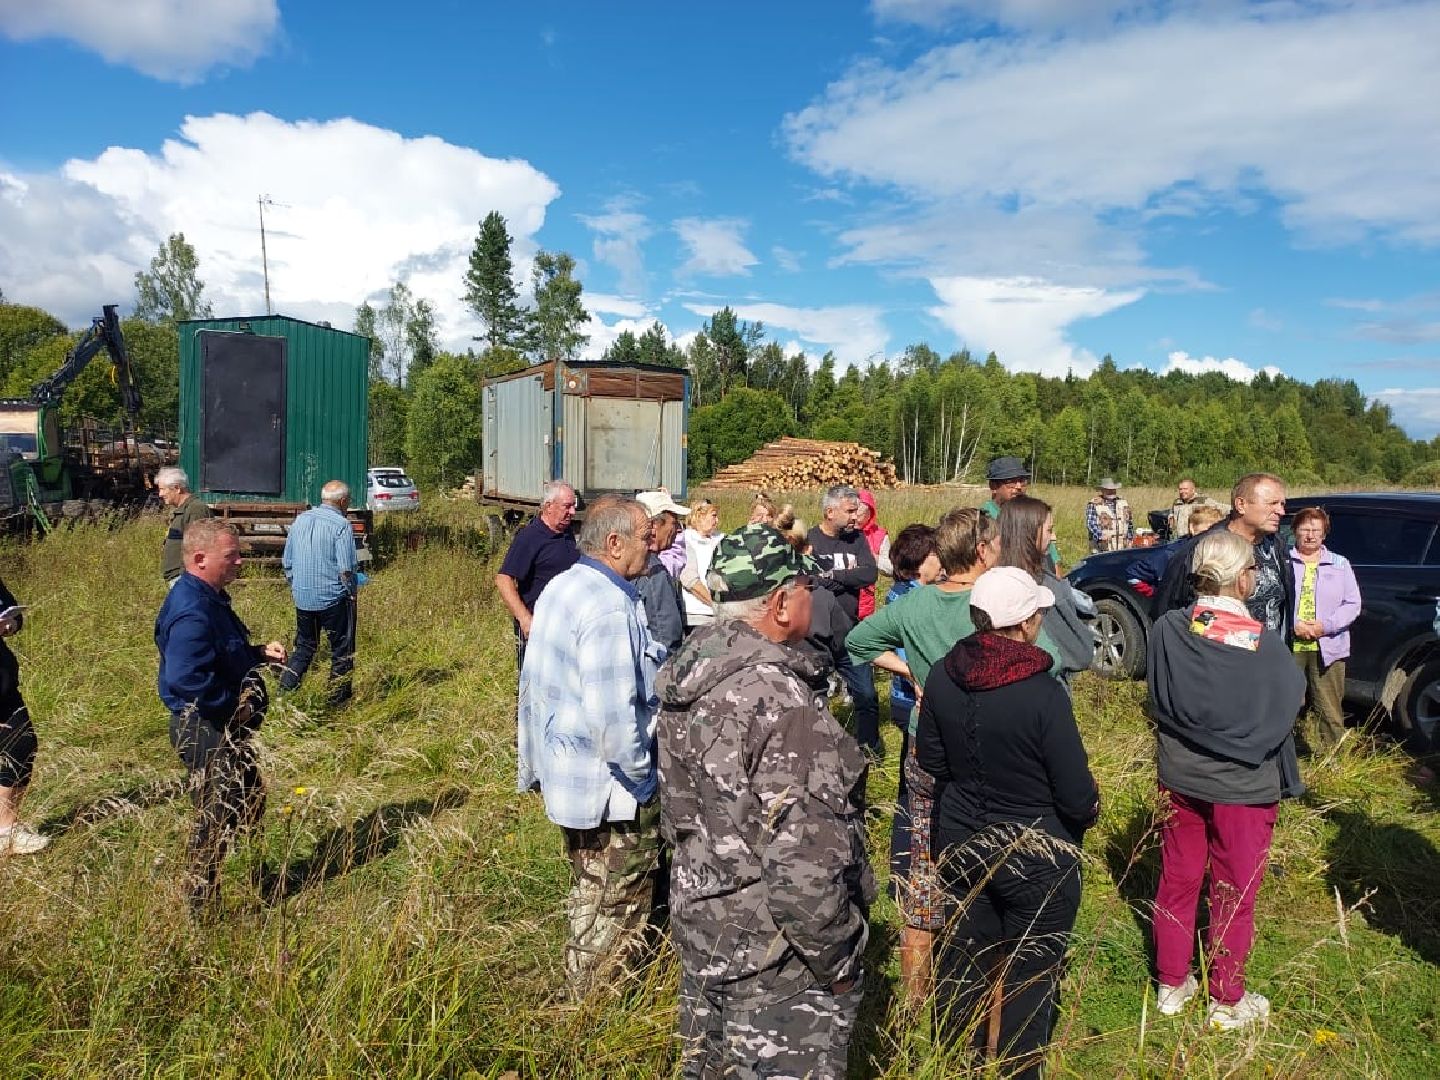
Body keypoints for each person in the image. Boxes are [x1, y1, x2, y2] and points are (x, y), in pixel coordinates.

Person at [658, 523, 873, 1080]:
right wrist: (841, 963)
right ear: (781, 604)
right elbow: (804, 869)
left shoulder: (689, 677)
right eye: (807, 589)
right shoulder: (780, 701)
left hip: (704, 933)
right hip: (776, 961)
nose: (814, 600)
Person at [917, 566, 1099, 1075]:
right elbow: (1074, 789)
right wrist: (1086, 815)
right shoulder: (1042, 692)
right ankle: (1020, 1068)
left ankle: (954, 1062)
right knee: (1032, 972)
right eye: (1039, 612)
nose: (1042, 619)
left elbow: (931, 760)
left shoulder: (942, 672)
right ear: (1021, 624)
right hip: (1035, 851)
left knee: (963, 961)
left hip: (960, 838)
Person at [1148, 529, 1305, 1030]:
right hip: (1243, 783)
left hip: (1180, 772)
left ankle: (1172, 983)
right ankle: (1226, 999)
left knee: (1177, 878)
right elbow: (1287, 710)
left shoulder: (1169, 628)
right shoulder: (1265, 648)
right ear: (1243, 579)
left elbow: (1157, 693)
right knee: (1234, 890)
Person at [516, 496, 664, 999]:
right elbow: (615, 715)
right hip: (611, 790)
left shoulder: (563, 586)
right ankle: (599, 1004)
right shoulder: (607, 605)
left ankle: (579, 983)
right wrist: (643, 779)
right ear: (615, 543)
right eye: (646, 536)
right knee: (620, 900)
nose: (654, 544)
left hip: (569, 775)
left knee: (589, 886)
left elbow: (534, 688)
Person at [156, 519, 287, 911]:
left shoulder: (208, 597)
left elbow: (222, 653)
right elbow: (185, 678)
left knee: (249, 799)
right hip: (206, 729)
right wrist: (234, 707)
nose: (240, 562)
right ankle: (201, 905)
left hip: (223, 727)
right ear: (200, 559)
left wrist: (257, 653)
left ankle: (254, 873)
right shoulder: (192, 612)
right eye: (231, 556)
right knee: (217, 815)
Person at [1157, 473, 1294, 643]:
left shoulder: (1276, 546)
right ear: (1241, 505)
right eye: (1272, 503)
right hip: (1220, 662)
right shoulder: (1203, 549)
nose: (1281, 511)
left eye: (1282, 504)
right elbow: (1167, 611)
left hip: (1269, 659)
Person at [808, 485, 882, 754]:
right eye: (850, 511)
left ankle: (869, 749)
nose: (856, 516)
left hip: (850, 633)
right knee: (813, 697)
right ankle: (818, 748)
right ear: (830, 512)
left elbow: (869, 575)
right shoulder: (810, 541)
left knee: (866, 694)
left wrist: (834, 577)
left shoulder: (858, 539)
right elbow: (809, 581)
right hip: (817, 636)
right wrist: (835, 579)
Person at [999, 496, 1096, 684]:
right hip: (1048, 688)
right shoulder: (1048, 589)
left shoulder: (992, 579)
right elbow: (1081, 653)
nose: (1054, 537)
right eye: (1049, 530)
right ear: (1028, 533)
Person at [279, 480, 358, 707]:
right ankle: (337, 702)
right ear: (343, 501)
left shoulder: (301, 520)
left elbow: (287, 562)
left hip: (303, 597)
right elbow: (346, 569)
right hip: (333, 599)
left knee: (304, 646)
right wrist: (352, 594)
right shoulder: (341, 525)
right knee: (342, 651)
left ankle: (284, 691)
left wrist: (296, 586)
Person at [1289, 507, 1362, 751]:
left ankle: (1334, 759)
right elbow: (1275, 600)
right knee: (1285, 702)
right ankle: (1284, 755)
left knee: (1328, 705)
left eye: (1316, 530)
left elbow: (1353, 603)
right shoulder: (1284, 561)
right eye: (1305, 529)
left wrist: (1324, 626)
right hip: (1291, 643)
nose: (1310, 535)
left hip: (1329, 644)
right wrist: (1293, 624)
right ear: (1295, 531)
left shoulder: (1340, 564)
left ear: (1324, 534)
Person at [495, 481, 580, 666]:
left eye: (574, 506)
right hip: (539, 629)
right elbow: (503, 579)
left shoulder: (566, 534)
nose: (572, 512)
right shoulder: (530, 537)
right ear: (549, 506)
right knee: (534, 684)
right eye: (567, 506)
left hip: (566, 627)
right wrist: (525, 619)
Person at [1, 574, 46, 855]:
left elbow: (13, 611)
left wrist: (10, 623)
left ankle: (6, 829)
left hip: (4, 686)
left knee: (21, 744)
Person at [981, 456, 1063, 573]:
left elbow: (1052, 558)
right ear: (993, 486)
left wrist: (1058, 585)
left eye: (1022, 481)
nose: (1018, 487)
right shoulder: (984, 519)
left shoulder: (1033, 513)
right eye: (1011, 482)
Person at [635, 489, 689, 654]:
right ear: (654, 525)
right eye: (674, 523)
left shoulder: (627, 561)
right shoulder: (653, 571)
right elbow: (666, 635)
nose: (677, 531)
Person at [156, 466, 212, 587]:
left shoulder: (196, 509)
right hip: (180, 577)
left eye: (162, 489)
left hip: (187, 579)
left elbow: (200, 545)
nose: (160, 494)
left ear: (177, 488)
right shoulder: (184, 509)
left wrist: (189, 577)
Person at [679, 499, 723, 632]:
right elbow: (690, 581)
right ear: (700, 516)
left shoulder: (721, 539)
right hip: (696, 615)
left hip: (719, 616)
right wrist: (716, 605)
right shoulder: (686, 540)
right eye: (713, 515)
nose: (717, 520)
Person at [1085, 478, 1133, 554]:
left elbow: (1129, 523)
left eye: (1113, 489)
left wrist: (1130, 538)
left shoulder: (1123, 503)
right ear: (1102, 490)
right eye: (1108, 489)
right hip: (1102, 547)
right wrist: (1100, 536)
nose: (1111, 491)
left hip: (1122, 546)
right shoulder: (1094, 504)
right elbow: (1090, 523)